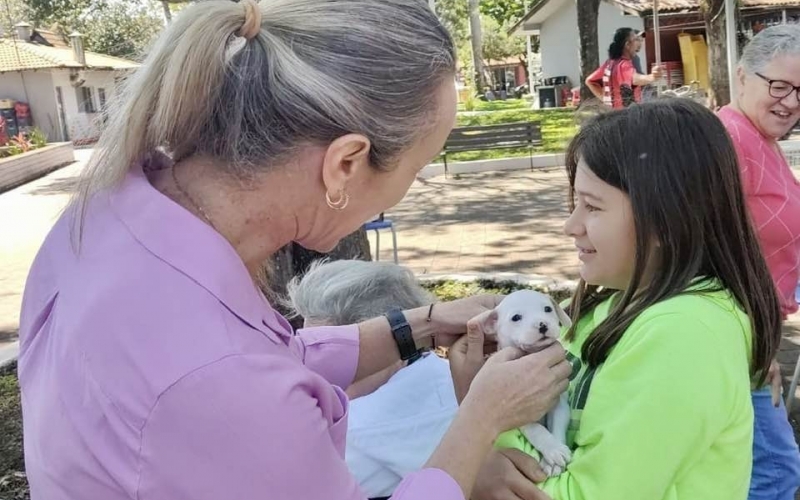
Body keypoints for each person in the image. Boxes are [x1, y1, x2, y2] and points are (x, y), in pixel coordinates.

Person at [16, 2, 573, 500]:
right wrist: (480, 419)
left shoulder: (114, 213)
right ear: (345, 165)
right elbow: (234, 377)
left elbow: (268, 356)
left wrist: (420, 324)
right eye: (417, 168)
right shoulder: (216, 380)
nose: (414, 187)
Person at [472, 99, 783, 500]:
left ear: (665, 220)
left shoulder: (685, 335)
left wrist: (482, 440)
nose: (571, 226)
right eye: (574, 203)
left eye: (593, 206)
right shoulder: (614, 304)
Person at [287, 259, 459, 499]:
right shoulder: (449, 378)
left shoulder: (357, 429)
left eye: (329, 355)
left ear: (386, 345)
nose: (312, 370)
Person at [717, 24, 800, 500]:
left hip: (755, 324)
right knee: (775, 471)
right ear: (743, 76)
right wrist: (752, 343)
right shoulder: (729, 140)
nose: (790, 101)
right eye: (779, 85)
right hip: (738, 332)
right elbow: (710, 249)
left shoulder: (758, 137)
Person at [585, 27, 662, 108]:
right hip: (626, 115)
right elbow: (634, 79)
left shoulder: (609, 63)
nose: (639, 43)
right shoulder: (623, 64)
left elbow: (590, 81)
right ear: (627, 44)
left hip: (612, 114)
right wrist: (652, 77)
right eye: (636, 39)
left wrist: (606, 100)